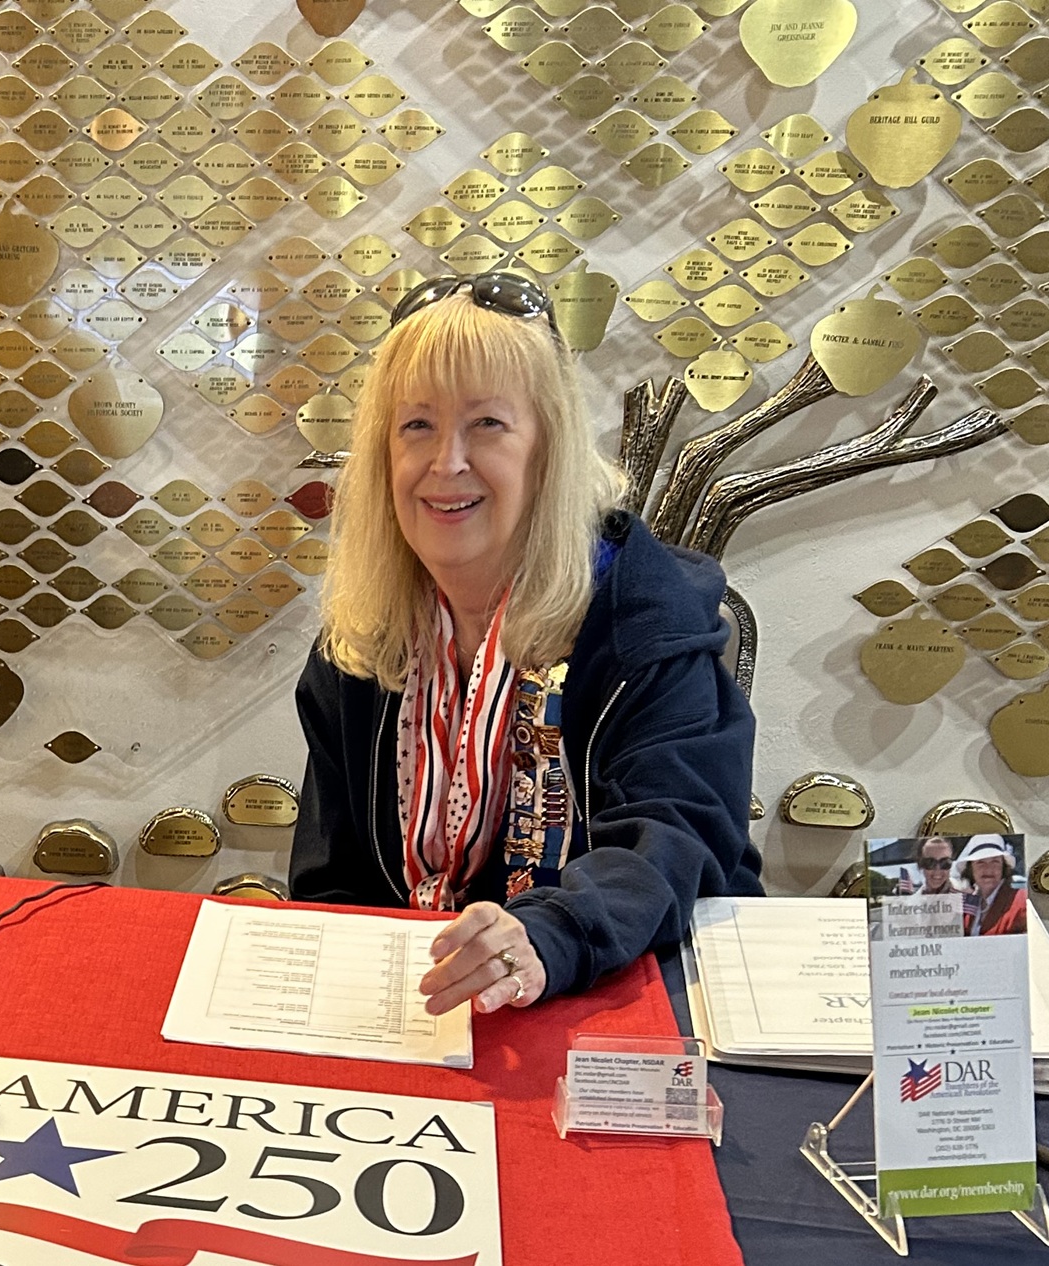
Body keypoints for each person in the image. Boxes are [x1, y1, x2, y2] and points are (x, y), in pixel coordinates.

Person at [289, 273, 762, 1016]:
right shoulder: (360, 640)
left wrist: (545, 938)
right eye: (417, 425)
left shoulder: (645, 619)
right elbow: (332, 881)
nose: (447, 462)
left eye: (487, 425)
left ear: (549, 450)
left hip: (614, 997)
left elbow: (674, 840)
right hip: (429, 1009)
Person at [956, 834, 1028, 936]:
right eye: (980, 862)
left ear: (1004, 867)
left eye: (995, 861)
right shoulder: (967, 907)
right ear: (970, 868)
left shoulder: (1022, 901)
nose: (988, 869)